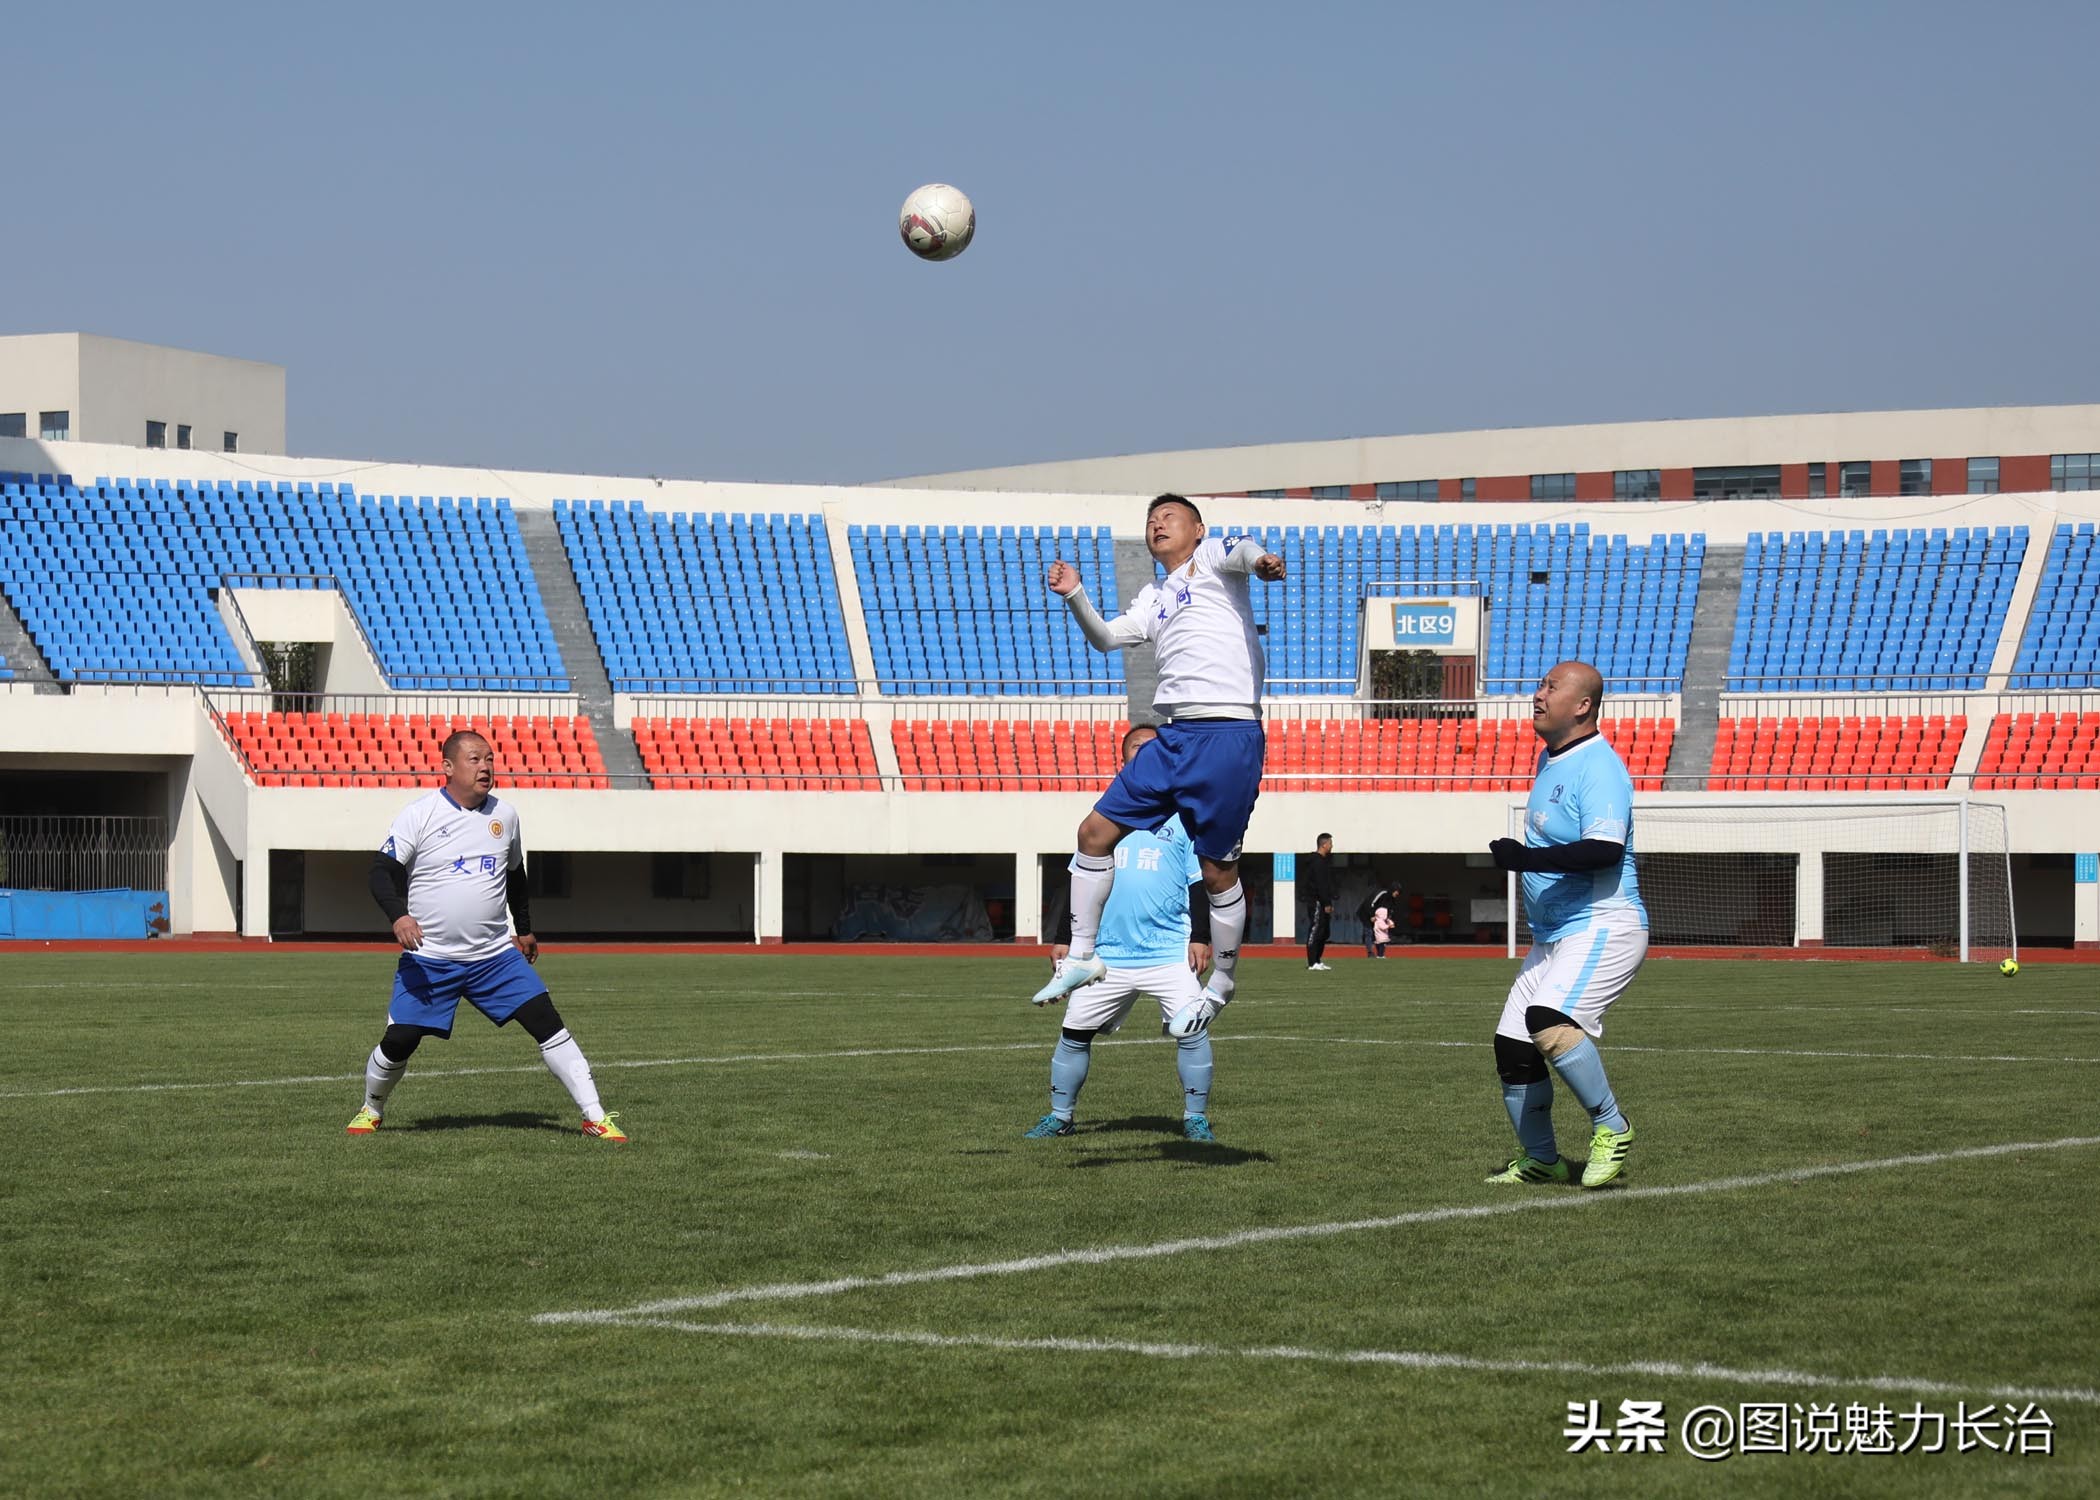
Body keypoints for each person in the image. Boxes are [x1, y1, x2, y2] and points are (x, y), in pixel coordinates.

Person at [1033, 493, 1286, 1027]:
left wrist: (1264, 562)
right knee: (1093, 834)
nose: (1157, 524)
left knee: (1218, 872)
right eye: (1151, 520)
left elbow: (1249, 556)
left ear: (1197, 528)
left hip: (1228, 734)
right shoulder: (1153, 595)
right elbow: (1105, 638)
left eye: (1168, 516)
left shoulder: (1215, 556)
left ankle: (1222, 980)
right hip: (1171, 737)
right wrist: (1075, 593)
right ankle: (1080, 956)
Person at [346, 730, 627, 1142]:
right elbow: (380, 873)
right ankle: (372, 1107)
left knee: (546, 1021)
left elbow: (516, 876)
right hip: (430, 958)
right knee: (401, 1039)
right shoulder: (419, 814)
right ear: (448, 767)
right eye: (475, 759)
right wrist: (399, 916)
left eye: (490, 759)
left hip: (495, 957)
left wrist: (525, 929)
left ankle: (595, 1116)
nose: (485, 767)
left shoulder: (506, 817)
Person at [1484, 661, 1645, 1189]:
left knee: (1548, 1019)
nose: (1538, 694)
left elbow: (1604, 850)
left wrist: (1523, 860)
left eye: (1552, 687)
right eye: (1540, 685)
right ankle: (1542, 1159)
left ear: (1582, 706)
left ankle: (1612, 1126)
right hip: (1555, 936)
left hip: (1604, 923)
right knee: (1513, 1044)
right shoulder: (1550, 759)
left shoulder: (1598, 766)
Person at [1029, 725, 1222, 1143]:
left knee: (1192, 1031)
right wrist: (1064, 936)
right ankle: (1060, 1116)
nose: (1147, 752)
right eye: (1138, 747)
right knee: (1074, 1033)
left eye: (1155, 748)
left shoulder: (1185, 817)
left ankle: (1194, 1117)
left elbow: (1198, 883)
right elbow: (1078, 879)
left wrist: (1201, 936)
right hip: (1105, 956)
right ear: (1124, 758)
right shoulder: (1106, 814)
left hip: (1169, 952)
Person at [1303, 832, 1337, 970]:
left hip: (1323, 901)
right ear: (1324, 844)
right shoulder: (1316, 862)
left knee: (1324, 931)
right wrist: (1326, 903)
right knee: (1316, 930)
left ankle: (1318, 959)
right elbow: (1320, 885)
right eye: (1330, 843)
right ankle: (1312, 962)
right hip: (1316, 901)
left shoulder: (1324, 862)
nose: (1332, 846)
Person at [1358, 877, 1401, 958]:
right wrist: (1371, 915)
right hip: (1366, 913)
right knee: (1369, 932)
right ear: (1393, 889)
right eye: (1396, 891)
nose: (1397, 893)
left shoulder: (1392, 900)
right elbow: (1370, 903)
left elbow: (1390, 910)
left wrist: (1388, 920)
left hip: (1378, 917)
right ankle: (1370, 952)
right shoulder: (1382, 893)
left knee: (1378, 934)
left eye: (1399, 892)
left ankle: (1380, 954)